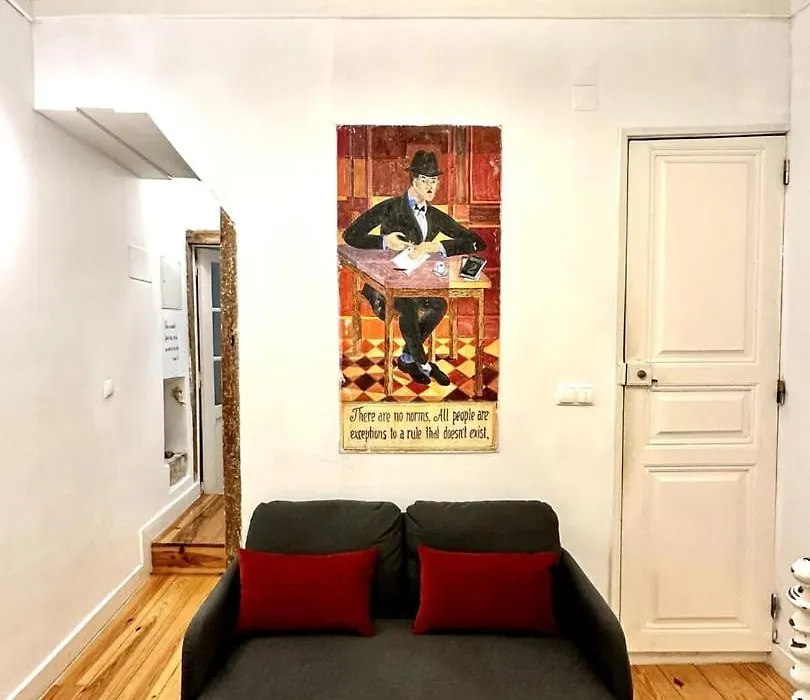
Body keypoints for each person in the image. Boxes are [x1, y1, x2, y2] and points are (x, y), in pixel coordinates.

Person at [343, 150, 486, 385]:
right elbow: (351, 235)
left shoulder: (435, 216)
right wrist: (384, 241)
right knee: (407, 307)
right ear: (414, 180)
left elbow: (476, 242)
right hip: (382, 286)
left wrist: (437, 246)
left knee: (439, 305)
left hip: (417, 283)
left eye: (434, 181)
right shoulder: (390, 207)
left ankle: (408, 359)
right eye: (425, 180)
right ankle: (425, 364)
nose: (431, 186)